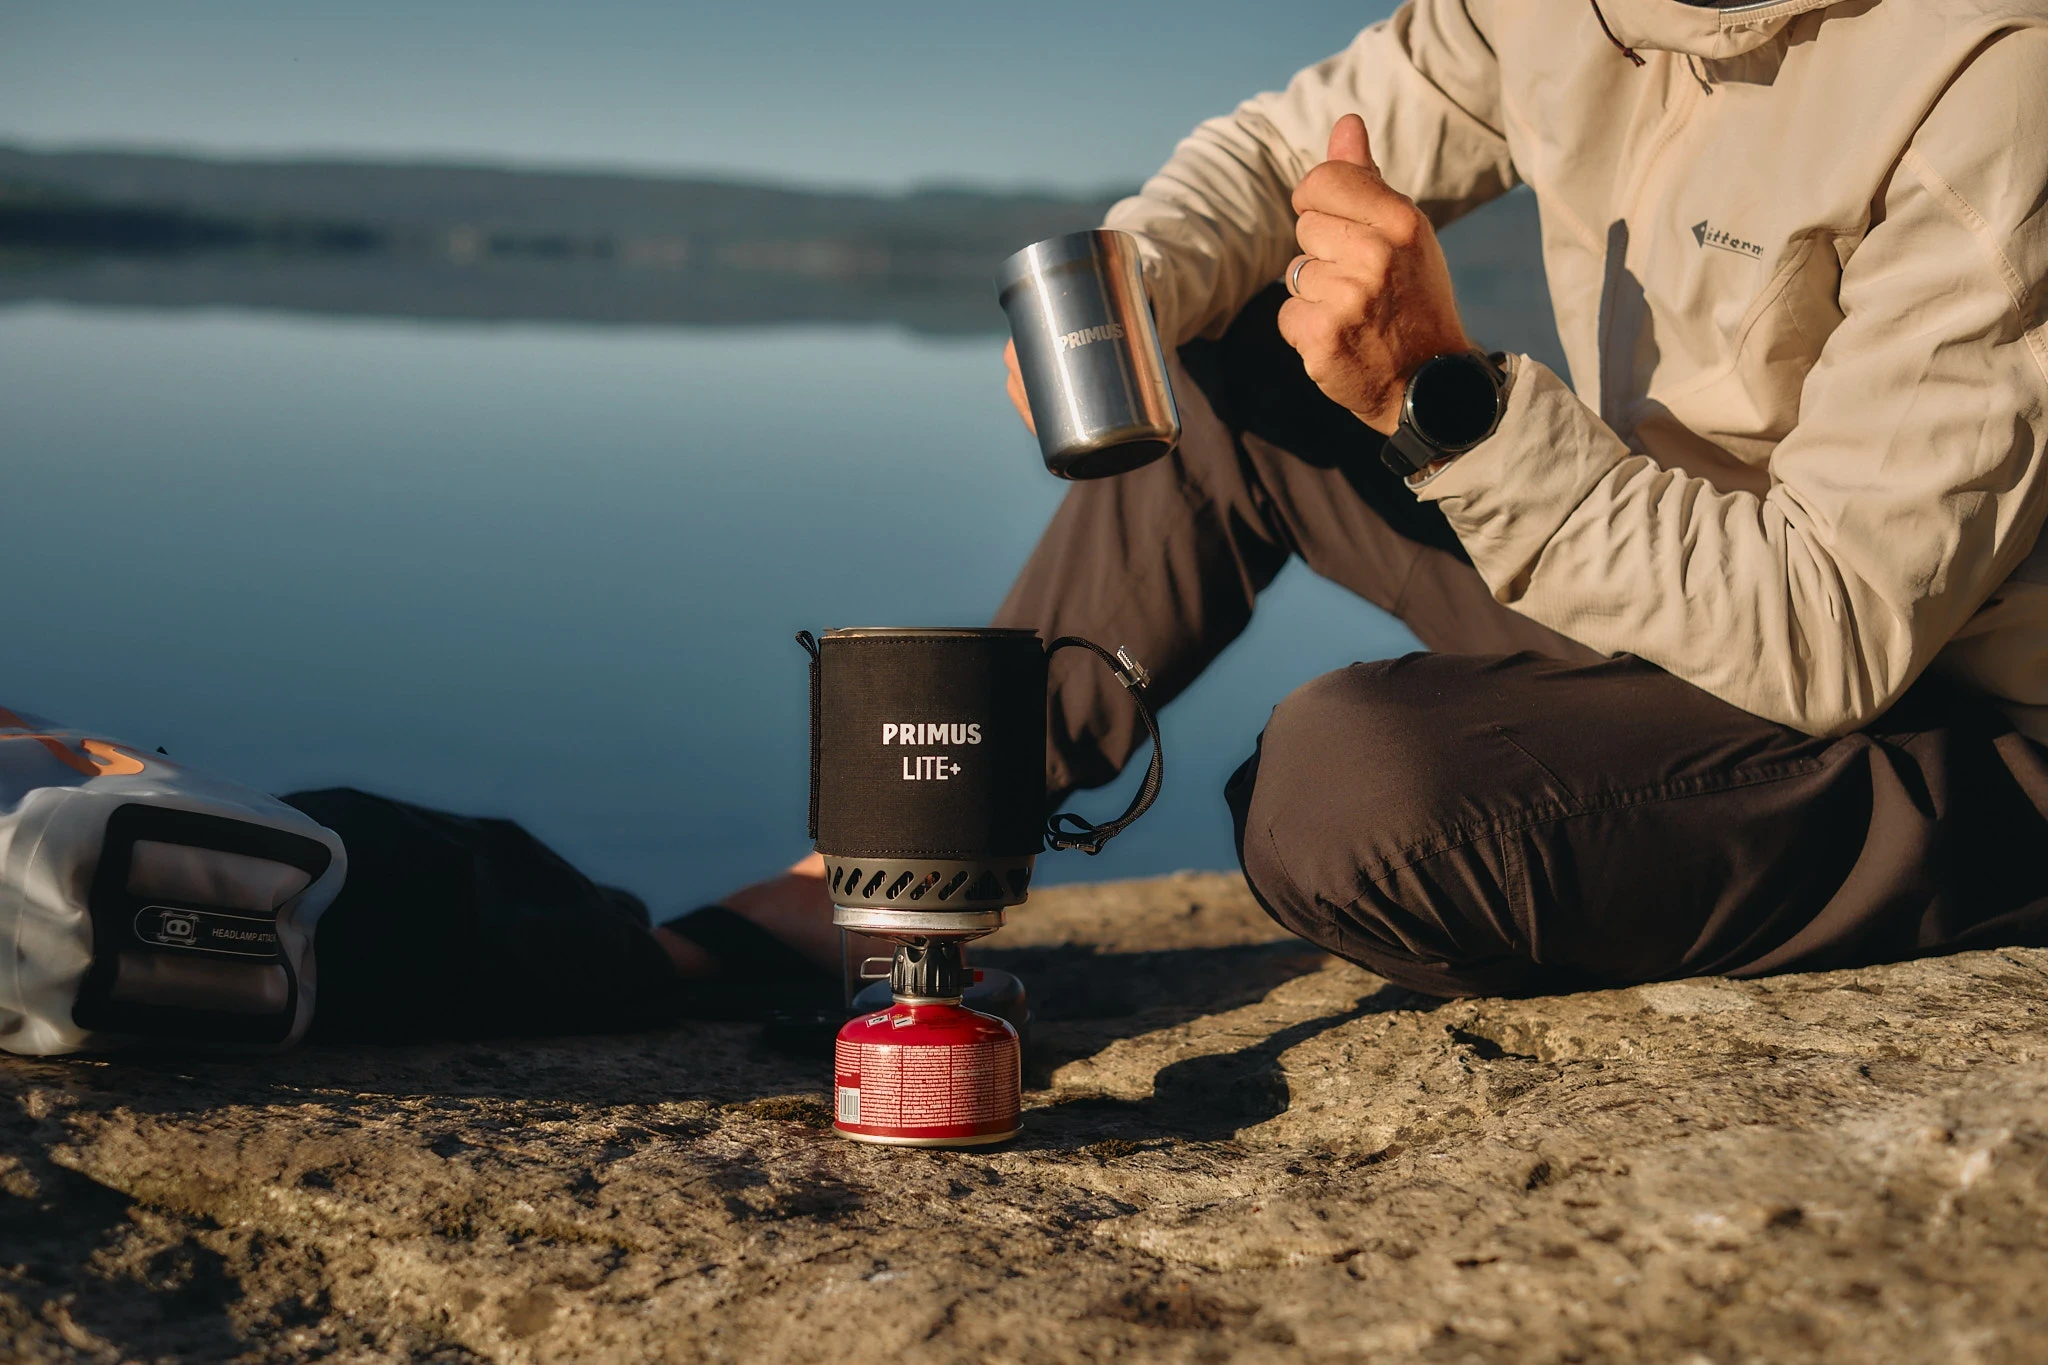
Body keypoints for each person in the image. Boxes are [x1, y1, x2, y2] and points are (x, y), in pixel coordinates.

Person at [308, 0, 2048, 1036]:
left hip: (1934, 711)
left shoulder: (1993, 79)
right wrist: (1133, 285)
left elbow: (1827, 631)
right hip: (1672, 593)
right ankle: (909, 869)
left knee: (1349, 800)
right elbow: (1289, 152)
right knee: (1209, 365)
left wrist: (1442, 398)